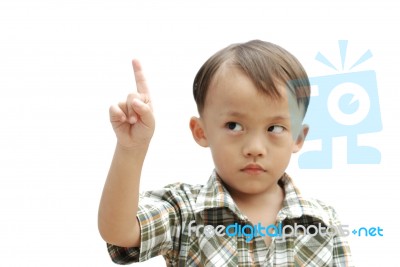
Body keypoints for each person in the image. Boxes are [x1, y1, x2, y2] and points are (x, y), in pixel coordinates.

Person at [98, 40, 353, 266]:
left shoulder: (323, 222)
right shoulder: (184, 211)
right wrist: (131, 148)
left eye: (275, 128)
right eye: (234, 126)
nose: (254, 148)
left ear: (298, 138)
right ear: (201, 131)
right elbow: (119, 230)